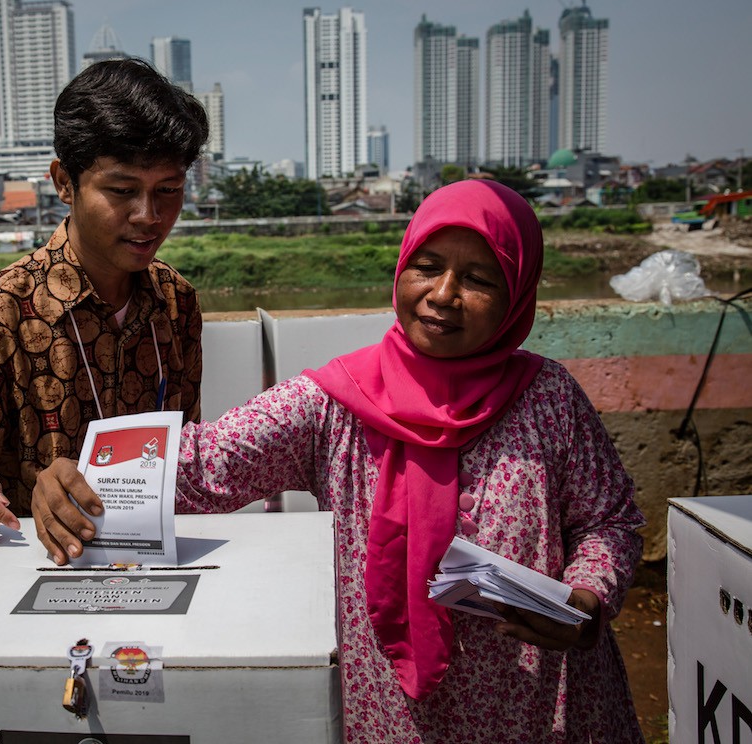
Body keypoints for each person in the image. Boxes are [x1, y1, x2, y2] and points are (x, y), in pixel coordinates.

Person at [33, 179, 647, 742]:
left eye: (480, 280)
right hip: (395, 710)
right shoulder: (336, 401)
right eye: (426, 268)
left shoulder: (549, 398)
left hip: (546, 701)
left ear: (517, 292)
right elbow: (206, 461)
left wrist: (590, 595)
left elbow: (610, 521)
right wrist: (82, 472)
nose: (443, 296)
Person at [0, 57, 209, 544]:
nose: (147, 215)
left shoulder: (175, 302)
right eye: (122, 190)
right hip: (17, 581)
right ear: (64, 182)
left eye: (168, 190)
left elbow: (182, 454)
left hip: (146, 568)